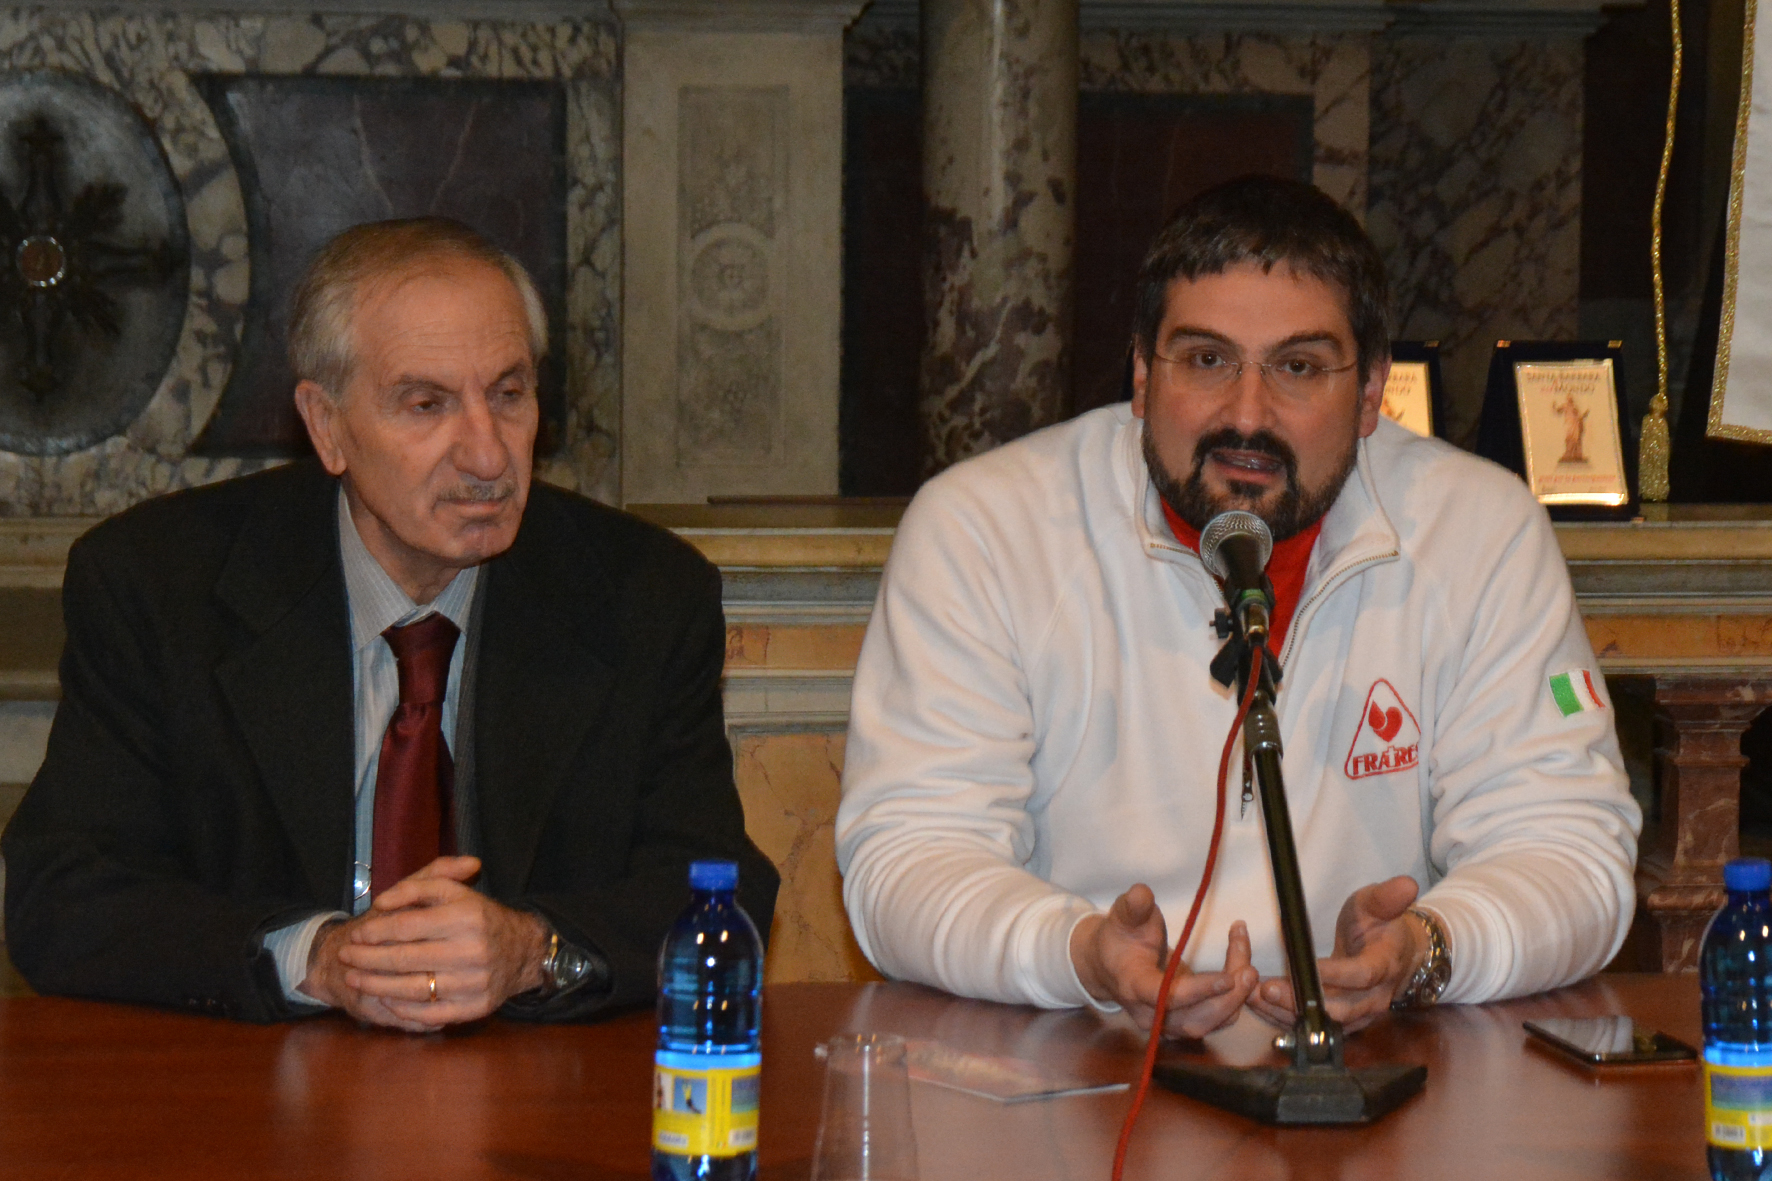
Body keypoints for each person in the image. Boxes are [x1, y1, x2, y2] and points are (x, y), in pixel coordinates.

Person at [836, 177, 1640, 1038]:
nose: (1247, 416)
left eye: (1299, 367)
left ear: (1372, 390)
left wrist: (1428, 948)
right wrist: (1078, 955)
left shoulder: (1480, 531)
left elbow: (1573, 849)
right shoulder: (984, 531)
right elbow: (906, 858)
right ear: (1141, 372)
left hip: (1378, 1071)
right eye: (1207, 360)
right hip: (1081, 1063)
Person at [3, 217, 778, 1029]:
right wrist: (317, 958)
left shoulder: (644, 596)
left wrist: (532, 950)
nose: (488, 455)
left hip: (536, 1083)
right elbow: (63, 896)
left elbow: (720, 887)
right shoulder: (159, 587)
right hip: (252, 1086)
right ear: (327, 426)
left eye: (508, 394)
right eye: (426, 404)